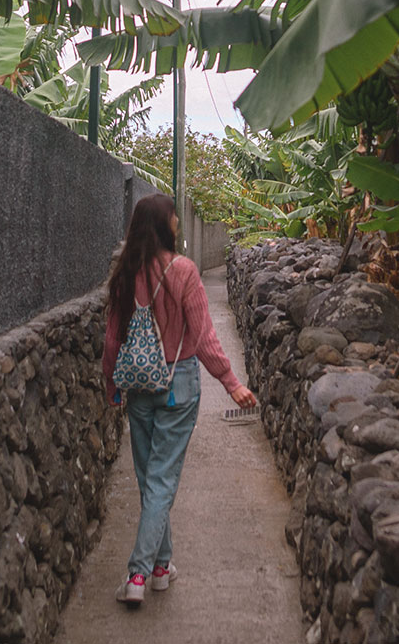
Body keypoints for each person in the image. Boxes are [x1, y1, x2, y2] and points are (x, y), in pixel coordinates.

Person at [101, 192, 256, 608]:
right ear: (163, 223)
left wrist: (112, 383)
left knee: (152, 480)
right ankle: (138, 573)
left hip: (138, 388)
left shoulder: (125, 271)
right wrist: (231, 382)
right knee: (162, 481)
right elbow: (204, 338)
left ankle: (161, 567)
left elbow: (113, 339)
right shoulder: (184, 270)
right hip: (178, 386)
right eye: (173, 217)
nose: (177, 222)